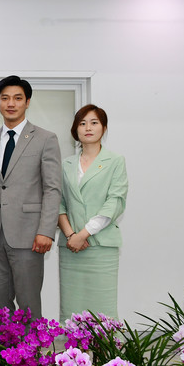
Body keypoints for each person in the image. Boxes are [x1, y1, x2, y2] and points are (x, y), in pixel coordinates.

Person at [0, 75, 61, 320]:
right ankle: (2, 345)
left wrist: (46, 230)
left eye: (17, 98)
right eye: (5, 98)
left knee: (28, 303)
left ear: (27, 102)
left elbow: (53, 188)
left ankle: (32, 345)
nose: (11, 103)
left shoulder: (45, 138)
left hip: (29, 235)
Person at [57, 104, 127, 321]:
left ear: (104, 128)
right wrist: (71, 235)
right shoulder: (66, 164)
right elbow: (58, 203)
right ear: (75, 129)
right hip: (71, 247)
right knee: (72, 309)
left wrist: (83, 234)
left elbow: (114, 202)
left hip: (101, 245)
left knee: (103, 309)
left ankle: (104, 344)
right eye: (82, 123)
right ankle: (72, 345)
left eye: (94, 123)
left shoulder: (115, 161)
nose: (88, 127)